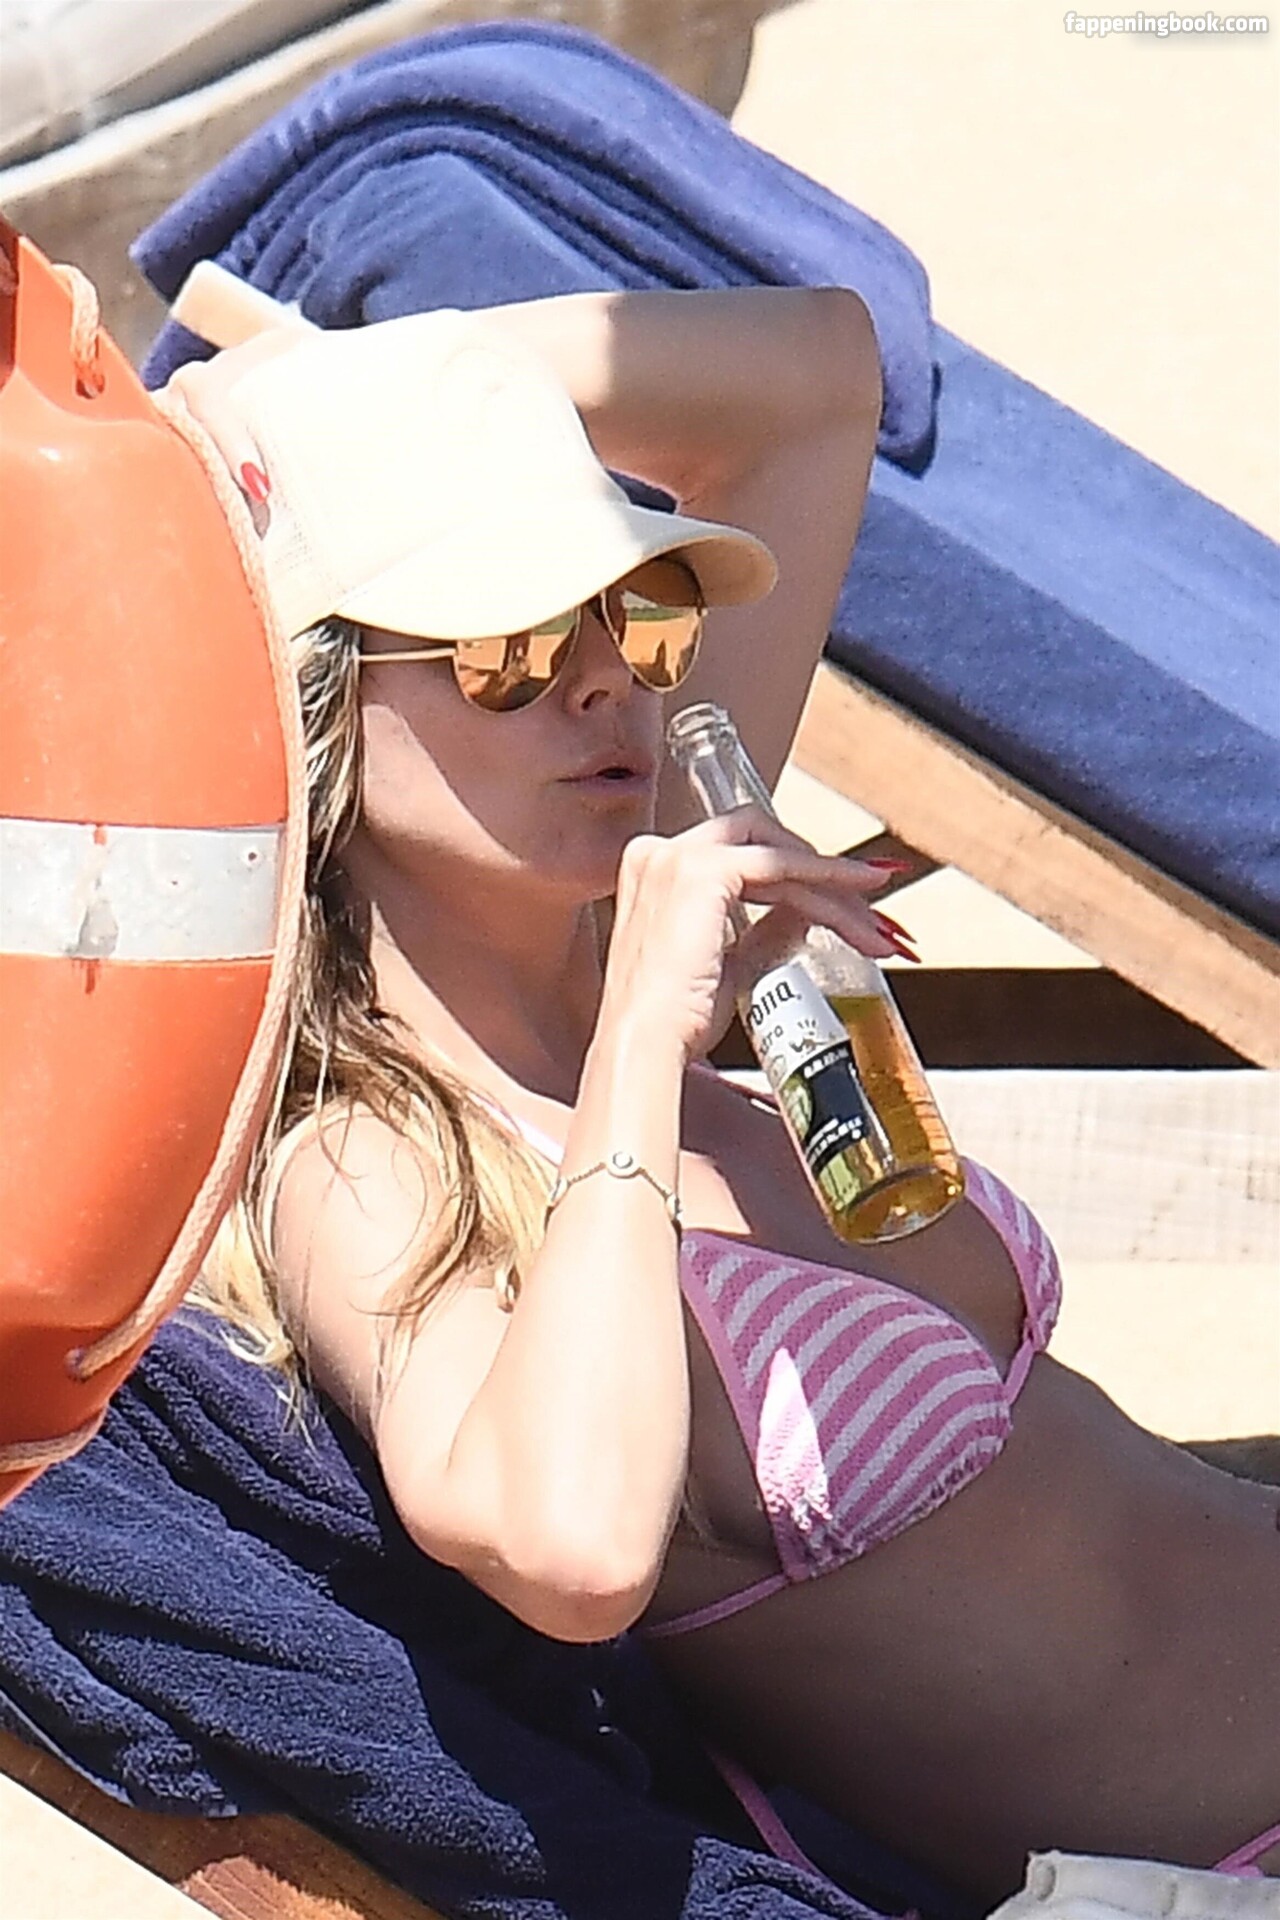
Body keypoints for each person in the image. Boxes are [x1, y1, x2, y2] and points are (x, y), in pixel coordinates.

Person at [166, 288, 1280, 1904]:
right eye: (505, 648)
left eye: (636, 618)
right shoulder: (371, 1154)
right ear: (320, 698)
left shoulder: (627, 873)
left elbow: (818, 380)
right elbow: (569, 1549)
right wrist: (640, 1038)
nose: (604, 688)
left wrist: (366, 398)